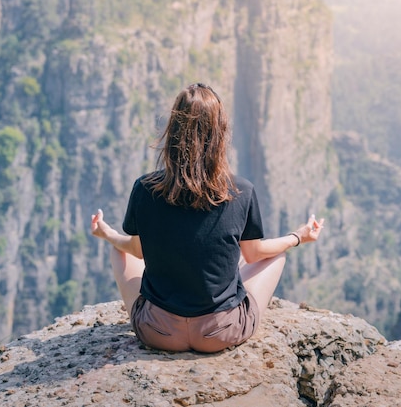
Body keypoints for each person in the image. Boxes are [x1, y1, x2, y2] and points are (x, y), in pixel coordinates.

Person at [91, 83, 324, 353]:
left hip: (159, 332)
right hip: (220, 333)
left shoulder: (145, 188)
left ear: (173, 131)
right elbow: (254, 253)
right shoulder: (241, 190)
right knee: (276, 253)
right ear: (220, 133)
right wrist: (297, 237)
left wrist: (106, 233)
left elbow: (136, 251)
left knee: (120, 250)